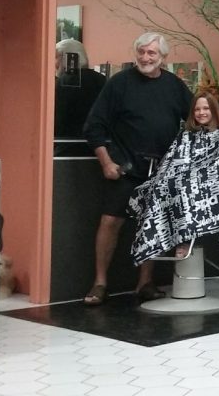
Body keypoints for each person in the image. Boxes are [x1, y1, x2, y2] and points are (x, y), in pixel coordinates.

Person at [82, 32, 193, 305]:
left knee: (152, 224)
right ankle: (100, 283)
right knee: (110, 222)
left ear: (162, 57)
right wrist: (106, 162)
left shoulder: (174, 85)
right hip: (124, 166)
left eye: (151, 53)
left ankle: (145, 283)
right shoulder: (119, 83)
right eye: (141, 52)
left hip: (160, 168)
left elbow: (197, 116)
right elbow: (94, 126)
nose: (145, 57)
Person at [130, 92, 219, 264]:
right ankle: (158, 240)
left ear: (214, 111)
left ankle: (184, 239)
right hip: (181, 177)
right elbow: (173, 160)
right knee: (159, 189)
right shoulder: (186, 135)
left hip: (208, 182)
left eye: (206, 108)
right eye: (197, 109)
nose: (201, 113)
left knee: (186, 190)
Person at [54, 39, 106, 140]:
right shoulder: (102, 79)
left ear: (66, 57)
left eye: (56, 57)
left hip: (65, 143)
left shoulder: (62, 82)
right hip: (98, 143)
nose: (54, 64)